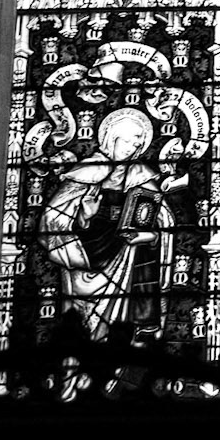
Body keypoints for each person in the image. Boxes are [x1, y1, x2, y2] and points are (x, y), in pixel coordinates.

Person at [40, 104, 187, 340]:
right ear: (112, 139)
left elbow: (162, 220)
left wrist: (151, 237)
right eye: (128, 141)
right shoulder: (87, 171)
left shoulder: (142, 176)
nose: (132, 148)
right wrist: (84, 216)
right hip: (88, 254)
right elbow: (51, 220)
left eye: (137, 144)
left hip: (128, 263)